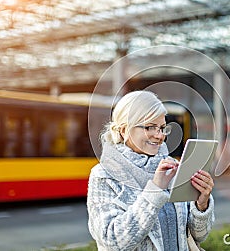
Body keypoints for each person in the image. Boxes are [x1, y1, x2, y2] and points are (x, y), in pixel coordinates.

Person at [87, 90, 215, 250]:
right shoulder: (104, 176)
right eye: (149, 127)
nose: (159, 135)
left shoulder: (171, 168)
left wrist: (201, 204)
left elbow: (199, 235)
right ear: (124, 130)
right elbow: (112, 241)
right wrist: (154, 191)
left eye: (162, 128)